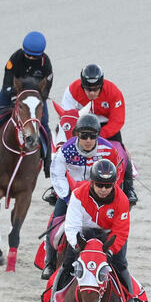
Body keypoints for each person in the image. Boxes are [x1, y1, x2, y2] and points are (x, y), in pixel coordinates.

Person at [42, 159, 138, 302]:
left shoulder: (122, 200)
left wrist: (108, 252)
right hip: (83, 236)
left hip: (109, 238)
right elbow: (72, 226)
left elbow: (121, 231)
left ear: (113, 184)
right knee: (66, 266)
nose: (103, 189)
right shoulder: (79, 194)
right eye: (99, 185)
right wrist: (79, 248)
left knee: (121, 265)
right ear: (92, 182)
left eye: (107, 185)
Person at [42, 114, 123, 279]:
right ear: (76, 135)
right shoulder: (66, 150)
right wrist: (66, 197)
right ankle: (49, 263)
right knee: (54, 224)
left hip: (99, 195)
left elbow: (116, 174)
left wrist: (110, 195)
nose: (88, 139)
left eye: (92, 136)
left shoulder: (108, 150)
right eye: (83, 135)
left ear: (98, 135)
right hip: (72, 195)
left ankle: (117, 265)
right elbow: (57, 174)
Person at [0, 32, 54, 177]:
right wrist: (14, 98)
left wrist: (38, 99)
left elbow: (46, 88)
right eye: (28, 55)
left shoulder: (46, 63)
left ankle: (48, 161)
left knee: (44, 124)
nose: (31, 58)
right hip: (12, 93)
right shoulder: (15, 58)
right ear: (23, 50)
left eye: (35, 56)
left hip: (34, 97)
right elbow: (7, 82)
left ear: (41, 54)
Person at [61, 64, 137, 205]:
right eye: (88, 89)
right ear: (82, 85)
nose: (91, 93)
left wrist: (98, 135)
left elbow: (118, 120)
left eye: (95, 89)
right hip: (80, 125)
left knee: (124, 154)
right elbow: (67, 117)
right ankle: (57, 187)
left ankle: (129, 188)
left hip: (106, 126)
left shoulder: (113, 92)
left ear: (101, 85)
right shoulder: (71, 91)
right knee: (63, 150)